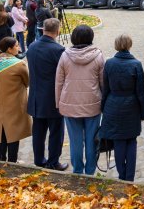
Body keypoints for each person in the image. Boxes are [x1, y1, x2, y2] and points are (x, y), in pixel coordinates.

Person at [99, 34, 144, 181]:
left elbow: (105, 89)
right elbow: (141, 92)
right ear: (129, 45)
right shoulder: (136, 64)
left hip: (112, 106)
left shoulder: (109, 64)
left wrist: (103, 108)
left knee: (118, 141)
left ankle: (122, 176)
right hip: (131, 108)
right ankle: (130, 177)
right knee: (131, 141)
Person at [55, 25, 105, 175]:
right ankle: (90, 172)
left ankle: (77, 171)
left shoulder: (65, 56)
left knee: (75, 141)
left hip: (69, 106)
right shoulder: (98, 56)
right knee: (91, 141)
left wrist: (58, 104)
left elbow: (59, 82)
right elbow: (103, 83)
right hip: (93, 106)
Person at [26, 18, 68, 171]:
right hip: (52, 98)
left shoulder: (32, 46)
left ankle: (38, 159)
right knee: (56, 132)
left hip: (36, 97)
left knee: (38, 131)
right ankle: (53, 161)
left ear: (43, 29)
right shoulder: (58, 50)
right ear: (58, 31)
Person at [0, 37, 31, 162]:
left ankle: (1, 158)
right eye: (16, 46)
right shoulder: (19, 64)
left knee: (0, 133)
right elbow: (27, 82)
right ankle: (13, 162)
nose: (19, 48)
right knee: (13, 133)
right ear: (9, 49)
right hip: (15, 103)